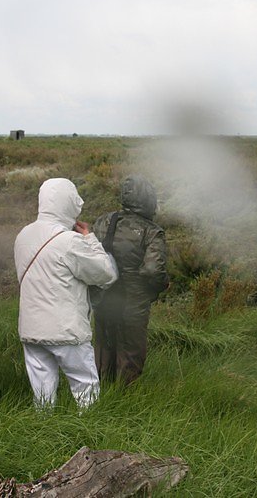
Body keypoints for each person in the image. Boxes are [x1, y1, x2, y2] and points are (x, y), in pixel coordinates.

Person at [14, 178, 118, 410]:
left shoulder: (23, 235)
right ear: (68, 203)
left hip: (31, 330)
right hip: (67, 331)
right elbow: (106, 274)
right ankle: (89, 440)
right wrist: (90, 239)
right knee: (86, 391)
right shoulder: (70, 241)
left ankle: (42, 435)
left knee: (42, 396)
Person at [92, 175, 169, 386]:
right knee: (130, 355)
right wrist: (161, 286)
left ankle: (96, 400)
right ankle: (124, 403)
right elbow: (153, 271)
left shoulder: (102, 222)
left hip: (103, 301)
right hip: (133, 304)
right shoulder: (152, 232)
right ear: (148, 200)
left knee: (103, 352)